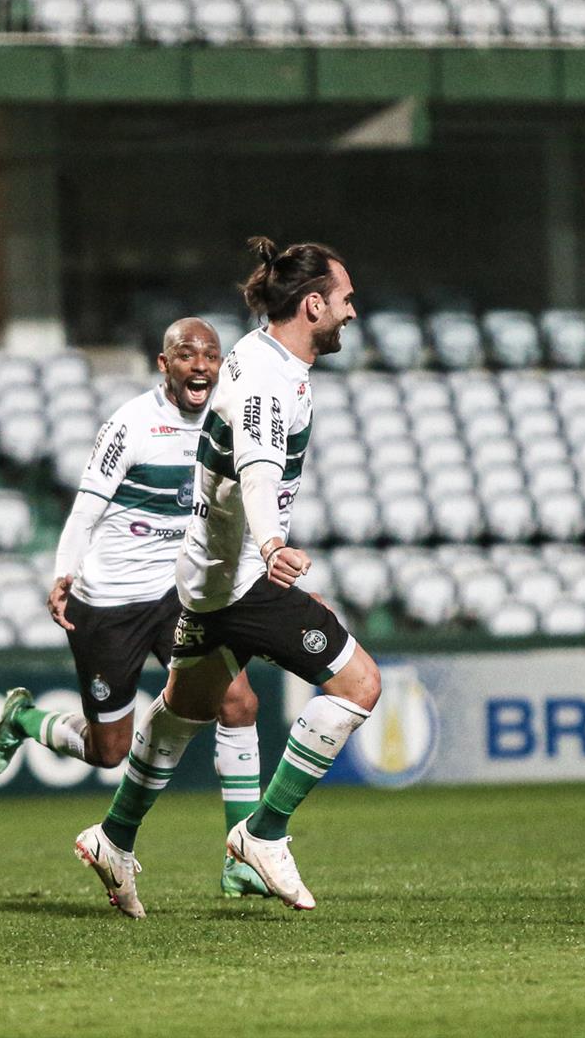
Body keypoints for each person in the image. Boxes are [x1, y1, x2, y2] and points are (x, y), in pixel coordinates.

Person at [74, 237, 379, 915]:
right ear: (313, 303)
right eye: (346, 300)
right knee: (361, 685)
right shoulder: (271, 380)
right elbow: (259, 469)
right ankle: (263, 833)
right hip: (242, 577)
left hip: (207, 572)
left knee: (185, 707)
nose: (352, 313)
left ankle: (113, 835)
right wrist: (273, 548)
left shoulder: (251, 352)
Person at [0, 317, 272, 904]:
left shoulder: (227, 425)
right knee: (109, 750)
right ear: (164, 365)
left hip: (174, 597)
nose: (200, 365)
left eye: (210, 356)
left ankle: (243, 856)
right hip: (109, 604)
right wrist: (63, 572)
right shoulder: (130, 425)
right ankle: (25, 721)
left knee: (238, 700)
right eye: (186, 354)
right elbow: (85, 511)